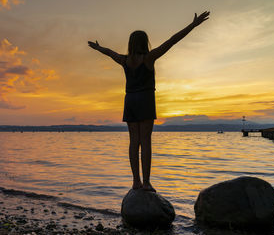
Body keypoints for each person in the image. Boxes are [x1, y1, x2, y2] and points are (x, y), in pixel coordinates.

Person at [88, 11, 210, 191]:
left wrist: (98, 48)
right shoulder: (149, 58)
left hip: (130, 100)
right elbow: (172, 41)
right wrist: (193, 25)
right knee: (145, 141)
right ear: (145, 43)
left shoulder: (125, 60)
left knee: (133, 141)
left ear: (130, 44)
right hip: (145, 99)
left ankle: (135, 182)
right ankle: (146, 183)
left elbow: (109, 52)